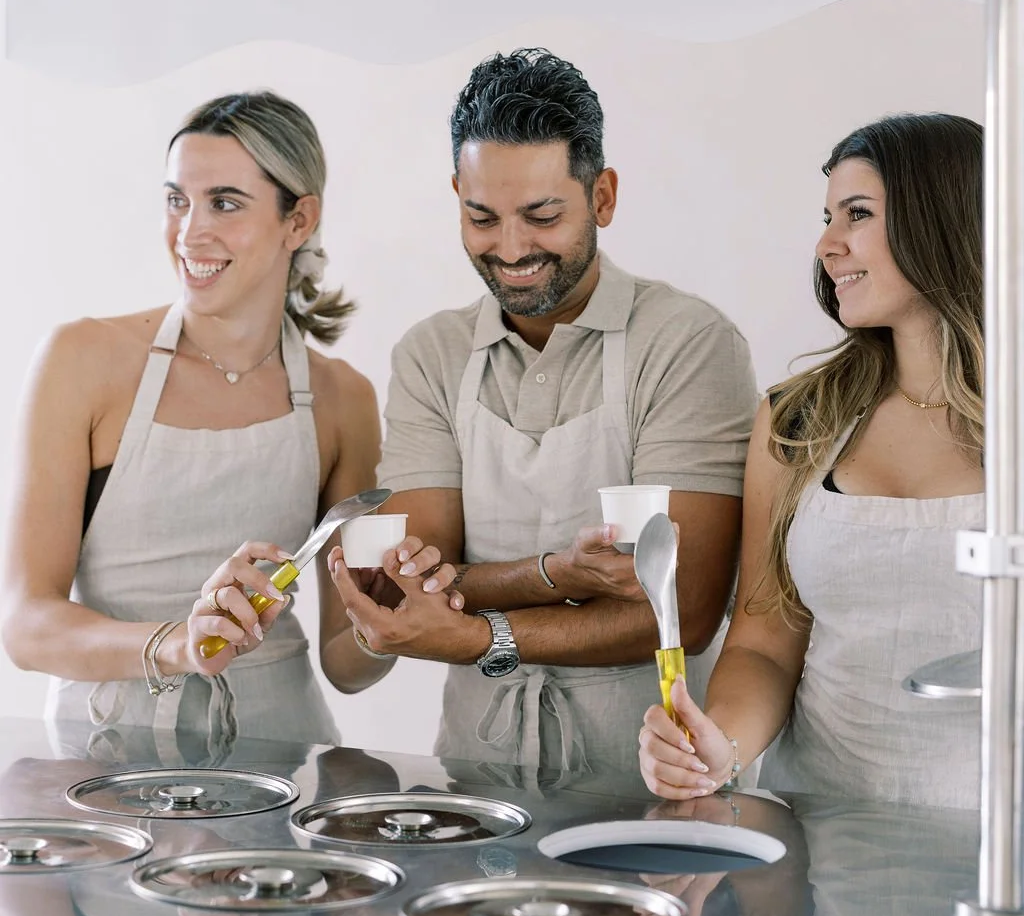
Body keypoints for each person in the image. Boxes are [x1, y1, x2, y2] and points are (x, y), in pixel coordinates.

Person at [337, 48, 757, 776]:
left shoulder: (688, 343)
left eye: (541, 215)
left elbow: (681, 605)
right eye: (481, 216)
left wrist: (480, 635)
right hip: (476, 778)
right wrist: (557, 574)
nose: (510, 248)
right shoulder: (430, 354)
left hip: (653, 781)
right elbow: (422, 580)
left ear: (603, 197)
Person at [2, 90, 450, 761]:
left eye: (225, 202)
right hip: (103, 763)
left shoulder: (341, 398)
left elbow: (345, 666)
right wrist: (177, 644)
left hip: (281, 757)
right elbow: (26, 624)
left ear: (298, 220)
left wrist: (383, 624)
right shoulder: (81, 362)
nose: (189, 232)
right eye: (176, 199)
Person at [638, 112, 983, 809]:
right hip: (823, 842)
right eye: (827, 216)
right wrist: (718, 747)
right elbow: (765, 637)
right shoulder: (798, 422)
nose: (827, 244)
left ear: (941, 218)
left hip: (1001, 847)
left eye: (857, 213)